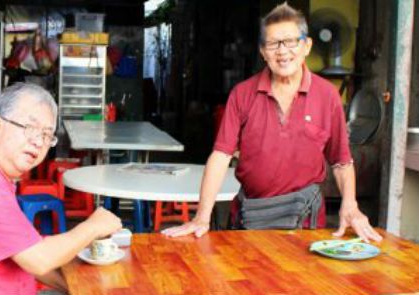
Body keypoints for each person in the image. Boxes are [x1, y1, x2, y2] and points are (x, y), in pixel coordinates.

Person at [162, 3, 382, 243]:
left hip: (305, 225)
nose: (282, 51)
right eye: (273, 43)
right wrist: (202, 217)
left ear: (306, 46)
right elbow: (221, 156)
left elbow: (341, 161)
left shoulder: (327, 96)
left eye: (290, 41)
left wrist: (349, 205)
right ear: (262, 52)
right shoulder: (242, 94)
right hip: (250, 218)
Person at [0, 83, 122, 294]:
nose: (38, 142)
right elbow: (39, 260)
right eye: (30, 128)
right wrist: (93, 227)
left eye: (46, 135)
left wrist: (75, 288)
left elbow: (23, 253)